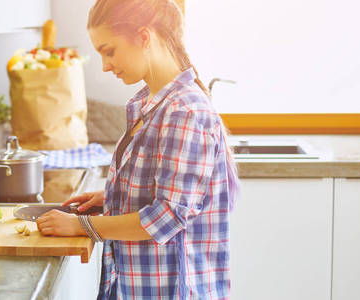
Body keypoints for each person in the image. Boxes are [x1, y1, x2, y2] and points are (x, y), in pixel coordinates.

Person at [35, 0, 240, 299]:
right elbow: (163, 191)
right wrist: (112, 198)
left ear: (144, 37)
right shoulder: (150, 103)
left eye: (109, 50)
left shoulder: (184, 111)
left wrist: (83, 226)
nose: (105, 65)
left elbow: (168, 215)